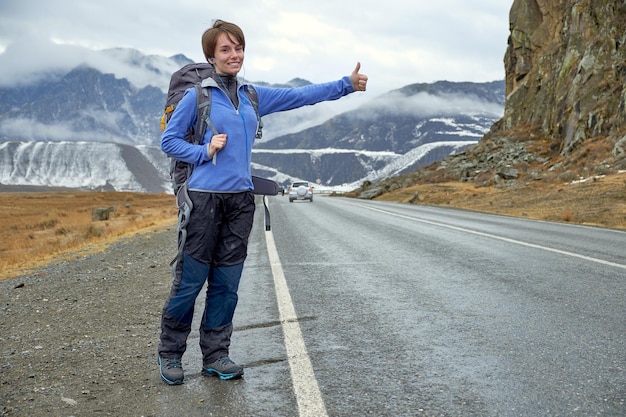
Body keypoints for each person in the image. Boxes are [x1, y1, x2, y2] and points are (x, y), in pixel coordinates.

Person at [157, 19, 368, 385]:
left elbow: (300, 96)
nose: (234, 54)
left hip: (240, 202)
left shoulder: (253, 95)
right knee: (190, 282)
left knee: (227, 283)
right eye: (225, 49)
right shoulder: (198, 97)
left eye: (238, 47)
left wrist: (346, 86)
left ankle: (216, 355)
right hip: (204, 200)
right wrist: (205, 151)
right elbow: (169, 142)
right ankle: (171, 354)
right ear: (211, 56)